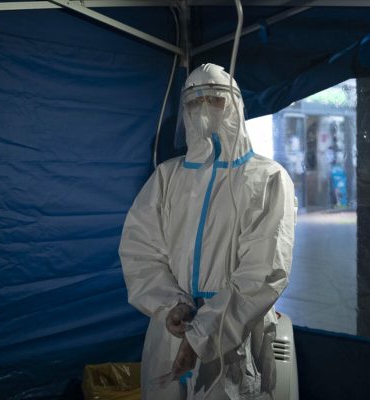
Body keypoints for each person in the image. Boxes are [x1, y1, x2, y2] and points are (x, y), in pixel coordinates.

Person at [119, 63, 296, 400]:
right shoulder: (167, 178)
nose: (203, 112)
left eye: (215, 100)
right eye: (192, 102)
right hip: (170, 332)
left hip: (232, 336)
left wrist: (203, 335)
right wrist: (170, 306)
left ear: (236, 106)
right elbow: (140, 251)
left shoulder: (267, 179)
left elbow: (263, 271)